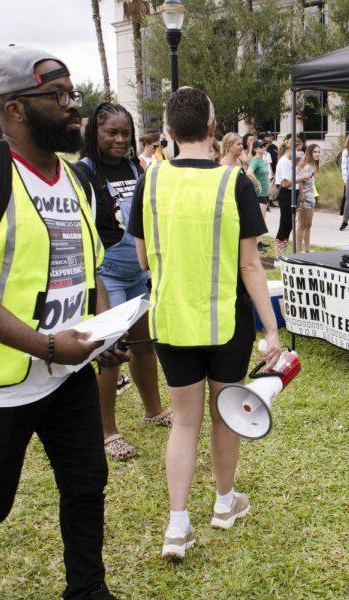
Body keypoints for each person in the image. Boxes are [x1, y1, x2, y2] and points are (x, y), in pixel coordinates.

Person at [0, 45, 126, 599]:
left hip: (67, 369)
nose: (72, 107)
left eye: (72, 94)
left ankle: (87, 590)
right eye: (57, 96)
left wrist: (101, 330)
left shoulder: (77, 178)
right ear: (13, 108)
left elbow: (90, 268)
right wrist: (45, 345)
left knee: (87, 484)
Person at [128, 86, 280, 562]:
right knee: (224, 415)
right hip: (225, 322)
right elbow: (251, 265)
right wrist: (271, 329)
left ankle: (177, 525)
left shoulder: (149, 180)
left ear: (169, 132)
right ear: (214, 130)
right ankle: (224, 502)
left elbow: (140, 256)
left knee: (184, 423)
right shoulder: (233, 181)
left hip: (170, 319)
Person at [74, 102, 169, 462]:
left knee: (145, 345)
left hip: (138, 273)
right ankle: (107, 431)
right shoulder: (82, 172)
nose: (119, 139)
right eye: (110, 132)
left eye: (124, 132)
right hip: (107, 273)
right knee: (111, 354)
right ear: (94, 134)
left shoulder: (136, 166)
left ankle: (154, 410)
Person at [273, 138, 300, 254]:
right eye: (298, 150)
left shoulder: (291, 161)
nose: (299, 153)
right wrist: (302, 178)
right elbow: (285, 183)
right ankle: (279, 254)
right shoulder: (283, 161)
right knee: (285, 223)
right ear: (291, 148)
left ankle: (283, 252)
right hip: (286, 193)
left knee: (290, 224)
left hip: (293, 193)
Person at [294, 143, 320, 253]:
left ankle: (307, 249)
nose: (317, 154)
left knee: (308, 225)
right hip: (304, 198)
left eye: (319, 152)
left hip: (311, 198)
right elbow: (299, 182)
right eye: (315, 152)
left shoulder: (313, 165)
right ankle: (299, 251)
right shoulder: (306, 166)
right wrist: (303, 200)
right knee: (301, 225)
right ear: (309, 153)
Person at [248, 140, 270, 207]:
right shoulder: (255, 160)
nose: (263, 148)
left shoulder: (262, 160)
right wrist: (258, 183)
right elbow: (249, 173)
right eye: (260, 146)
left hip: (265, 194)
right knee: (261, 217)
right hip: (259, 194)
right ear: (255, 149)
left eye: (264, 146)